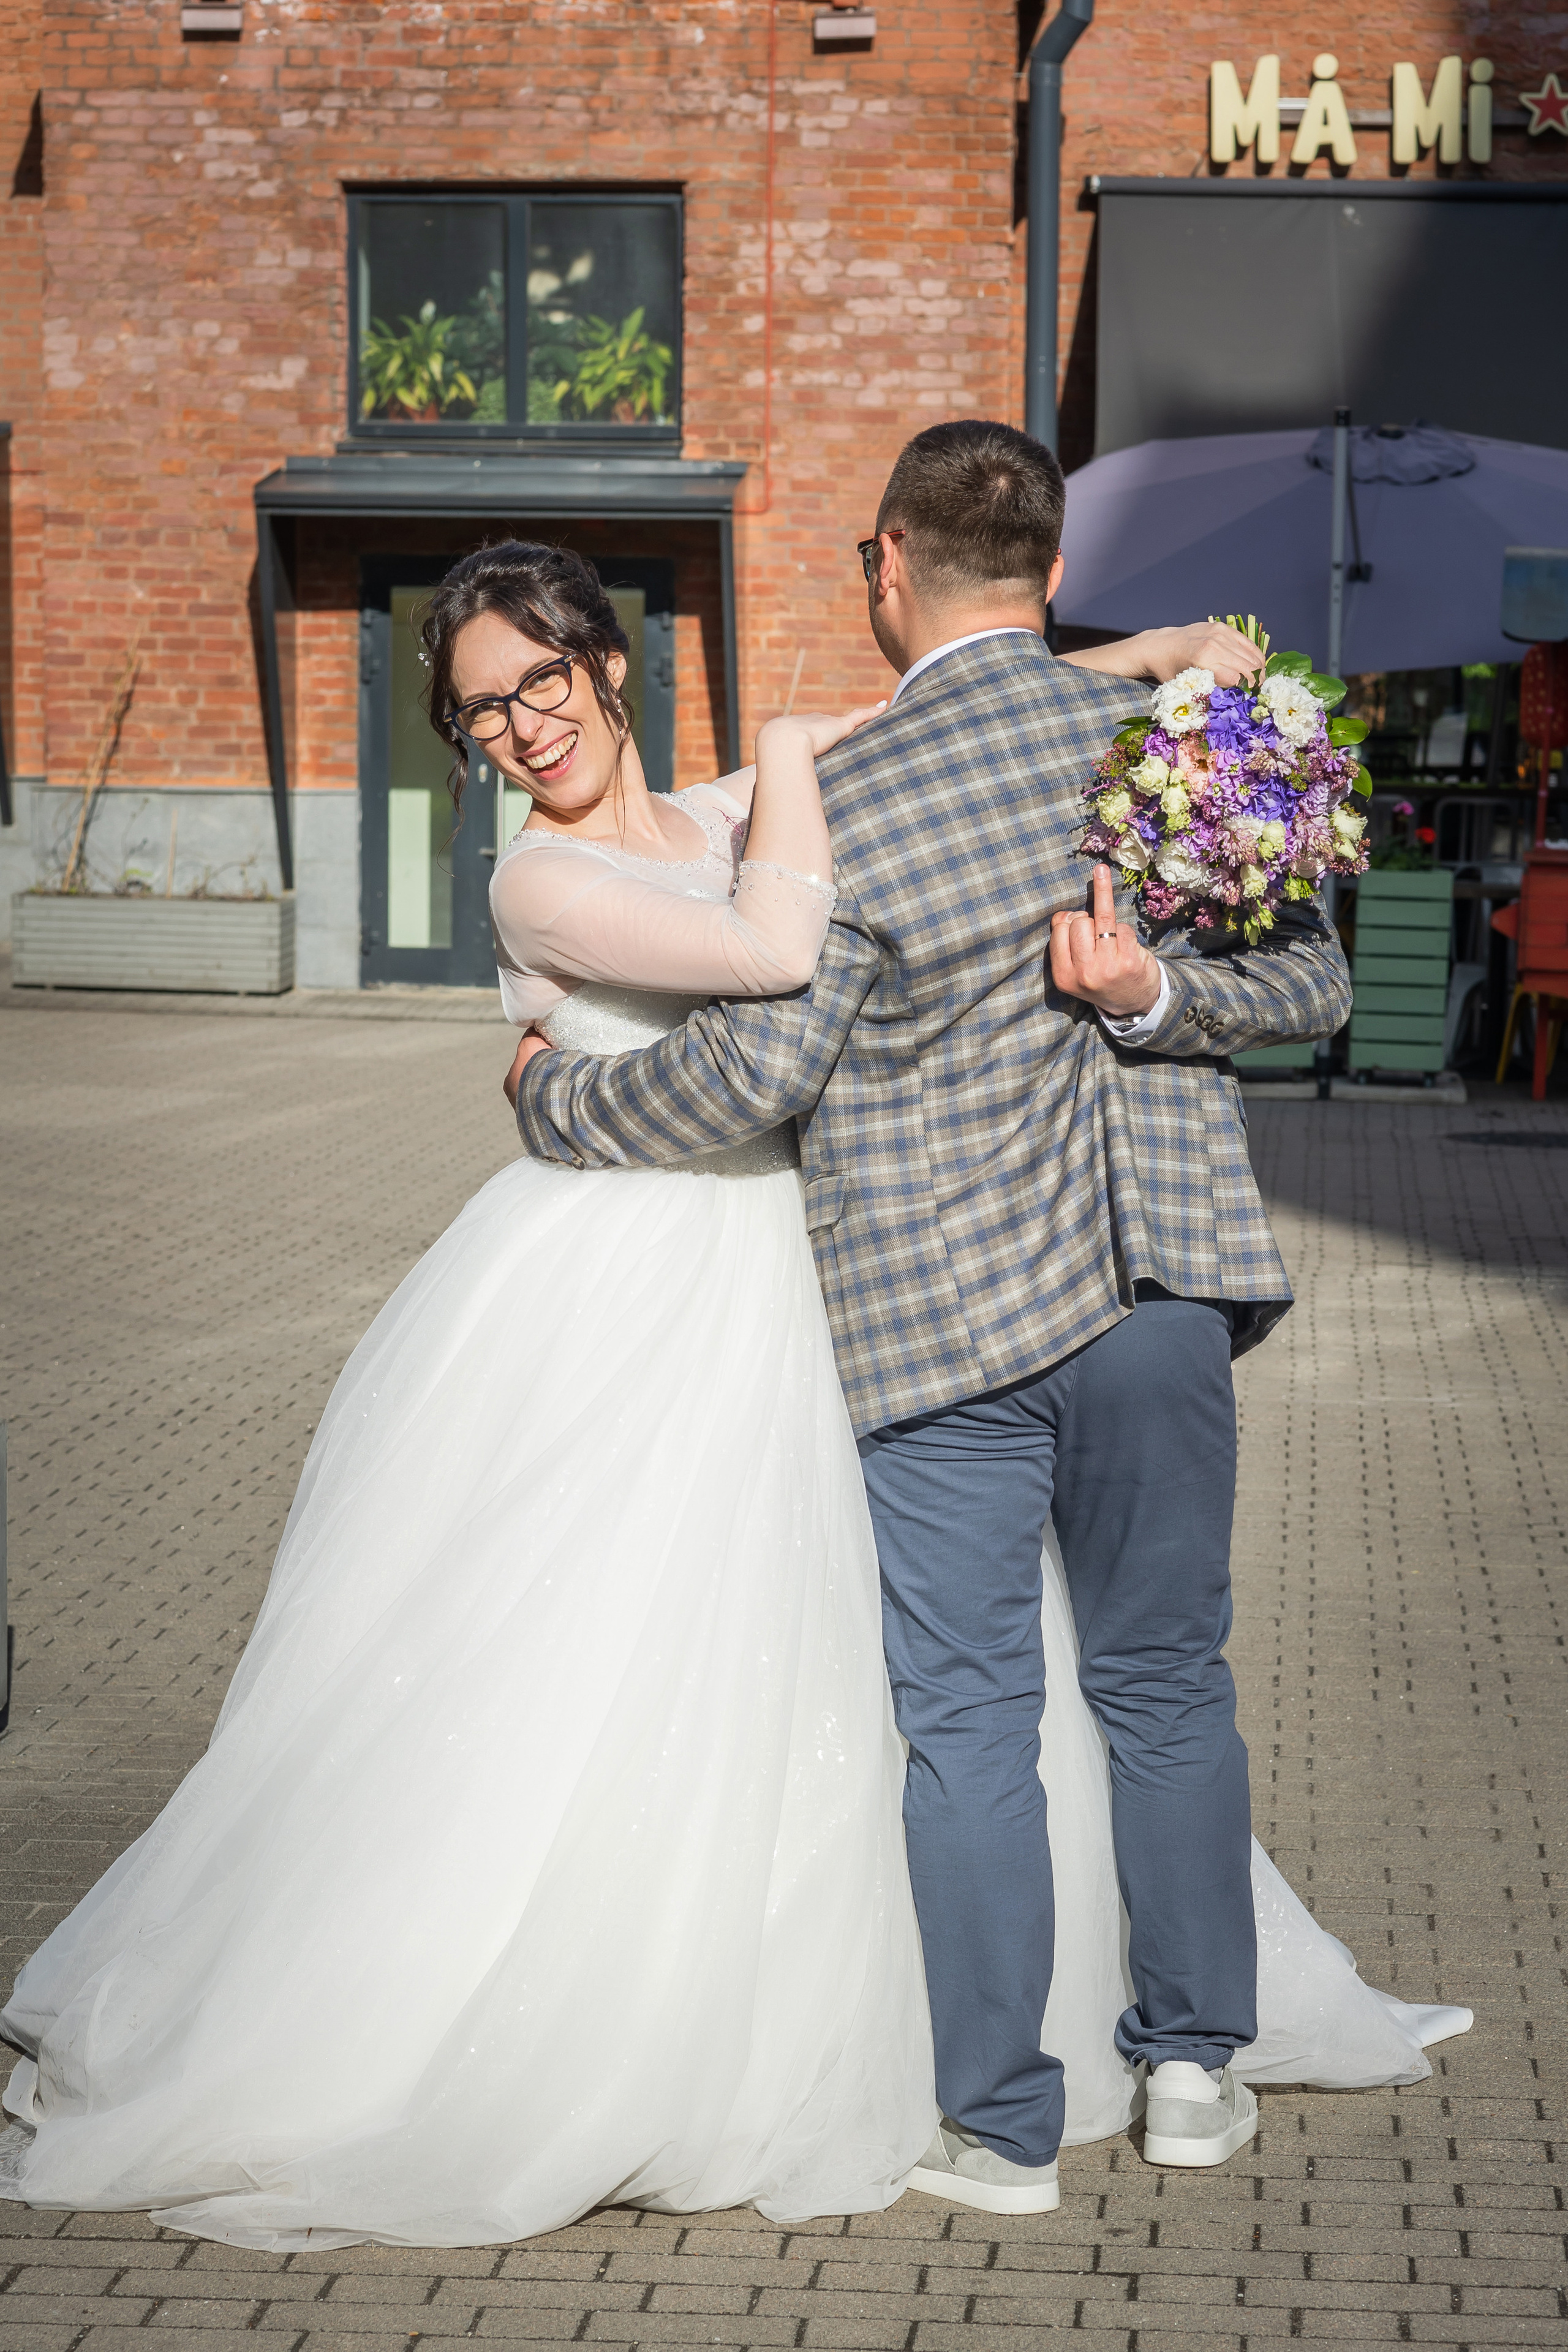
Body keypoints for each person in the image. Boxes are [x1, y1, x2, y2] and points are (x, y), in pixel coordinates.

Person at [0, 526, 1464, 2253]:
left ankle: (977, 2025)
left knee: (869, 1667)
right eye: (483, 714)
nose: (525, 727)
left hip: (798, 1278)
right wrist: (761, 794)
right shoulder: (538, 883)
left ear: (601, 665)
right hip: (621, 1285)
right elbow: (780, 950)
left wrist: (1134, 661)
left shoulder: (704, 808)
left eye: (541, 680)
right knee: (616, 1644)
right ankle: (599, 2013)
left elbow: (932, 716)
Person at [503, 423, 1471, 2215]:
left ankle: (1003, 2131)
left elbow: (763, 1065)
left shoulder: (840, 804)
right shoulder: (1174, 744)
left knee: (969, 1722)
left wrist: (559, 1100)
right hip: (1159, 1291)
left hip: (934, 1321)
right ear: (1048, 570)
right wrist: (1156, 986)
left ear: (886, 566)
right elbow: (1324, 976)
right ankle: (1193, 2072)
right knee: (1168, 1684)